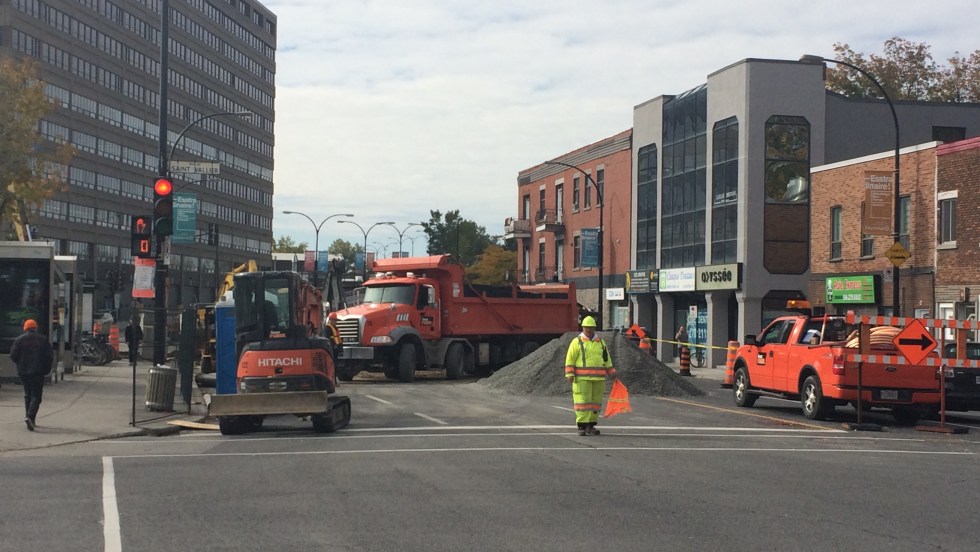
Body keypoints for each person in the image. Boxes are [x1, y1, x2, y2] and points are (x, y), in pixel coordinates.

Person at [563, 316, 616, 436]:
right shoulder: (577, 342)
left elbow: (606, 358)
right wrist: (569, 374)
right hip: (582, 379)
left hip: (598, 379)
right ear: (583, 328)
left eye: (591, 328)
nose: (589, 330)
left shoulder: (600, 343)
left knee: (595, 402)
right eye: (587, 328)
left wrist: (611, 372)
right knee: (583, 402)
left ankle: (591, 425)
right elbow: (570, 359)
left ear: (594, 328)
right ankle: (581, 426)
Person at [10, 319, 54, 431]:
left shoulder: (19, 339)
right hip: (38, 372)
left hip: (23, 372)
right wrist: (46, 369)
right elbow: (49, 356)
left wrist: (20, 364)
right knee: (36, 396)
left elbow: (13, 355)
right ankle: (30, 417)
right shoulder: (43, 340)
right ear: (35, 328)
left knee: (27, 394)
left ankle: (28, 418)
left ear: (25, 328)